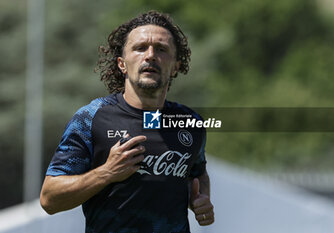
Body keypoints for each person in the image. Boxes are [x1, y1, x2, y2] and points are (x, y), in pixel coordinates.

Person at [40, 10, 214, 233]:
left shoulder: (190, 122)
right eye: (140, 48)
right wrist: (106, 173)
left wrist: (201, 200)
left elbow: (197, 172)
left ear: (176, 66)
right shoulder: (93, 117)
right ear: (122, 64)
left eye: (161, 49)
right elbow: (49, 198)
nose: (150, 55)